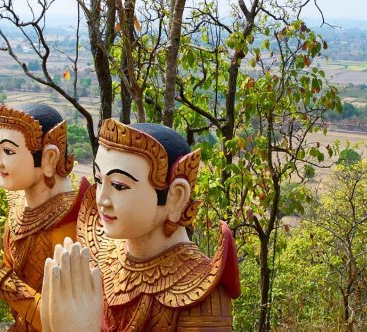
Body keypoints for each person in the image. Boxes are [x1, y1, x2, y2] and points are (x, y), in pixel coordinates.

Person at [40, 119, 241, 331]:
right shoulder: (102, 256)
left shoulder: (201, 295)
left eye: (118, 185)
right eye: (99, 180)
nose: (101, 199)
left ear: (175, 197)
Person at [0, 103, 88, 331]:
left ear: (48, 158)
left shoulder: (73, 224)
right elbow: (8, 280)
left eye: (8, 151)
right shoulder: (19, 209)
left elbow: (62, 324)